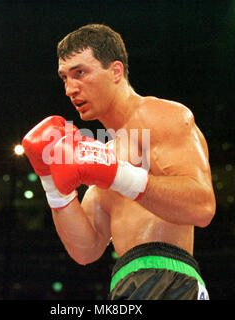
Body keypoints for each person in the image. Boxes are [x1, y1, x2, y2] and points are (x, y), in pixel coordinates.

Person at [22, 24, 216, 300]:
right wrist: (51, 183)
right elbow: (86, 250)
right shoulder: (100, 154)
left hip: (171, 280)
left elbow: (202, 207)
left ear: (116, 71)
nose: (69, 89)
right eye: (64, 77)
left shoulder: (162, 116)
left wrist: (116, 173)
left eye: (80, 73)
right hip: (123, 285)